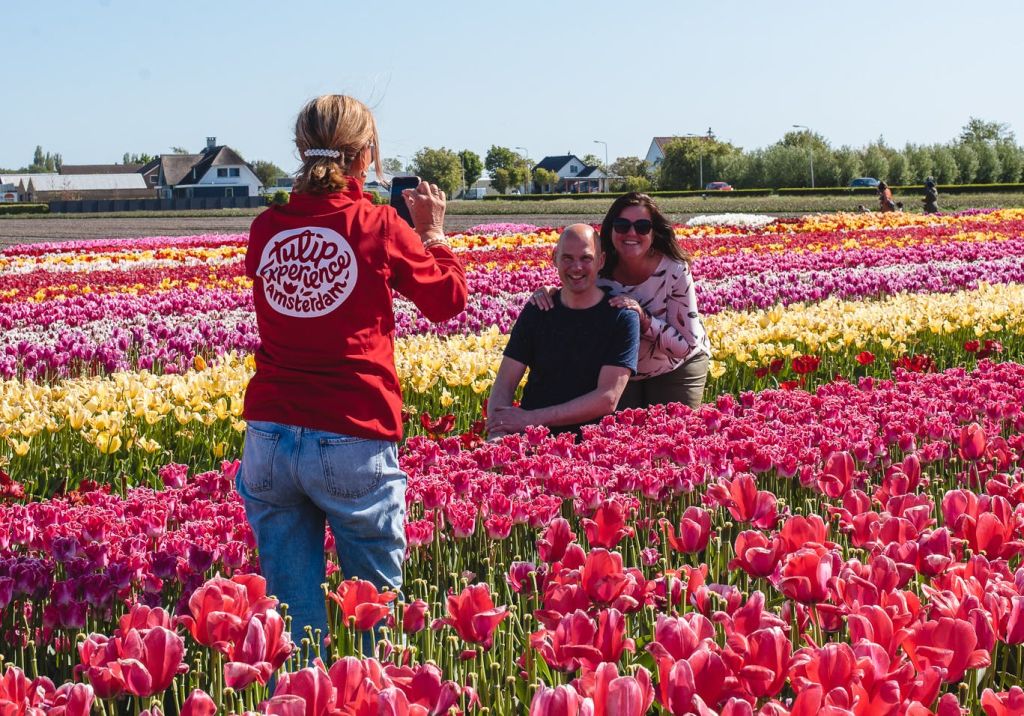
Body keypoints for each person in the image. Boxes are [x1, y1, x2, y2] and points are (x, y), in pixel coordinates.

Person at [238, 94, 468, 653]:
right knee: (374, 622)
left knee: (293, 624)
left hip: (269, 434)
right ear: (367, 155)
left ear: (300, 149)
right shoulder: (378, 223)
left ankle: (300, 690)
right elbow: (448, 301)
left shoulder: (267, 228)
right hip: (352, 428)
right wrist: (434, 234)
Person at [531, 192, 712, 411]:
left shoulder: (673, 269)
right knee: (620, 429)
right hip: (619, 369)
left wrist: (644, 320)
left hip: (675, 366)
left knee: (672, 427)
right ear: (611, 229)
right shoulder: (599, 268)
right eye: (622, 225)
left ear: (654, 232)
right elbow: (574, 290)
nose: (632, 233)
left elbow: (684, 346)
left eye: (642, 226)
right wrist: (553, 293)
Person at [487, 224, 639, 439]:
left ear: (601, 261)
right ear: (554, 258)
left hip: (591, 443)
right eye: (567, 258)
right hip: (534, 439)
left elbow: (607, 398)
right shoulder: (538, 310)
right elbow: (505, 382)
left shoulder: (621, 317)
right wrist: (497, 430)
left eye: (586, 258)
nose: (576, 267)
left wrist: (530, 419)